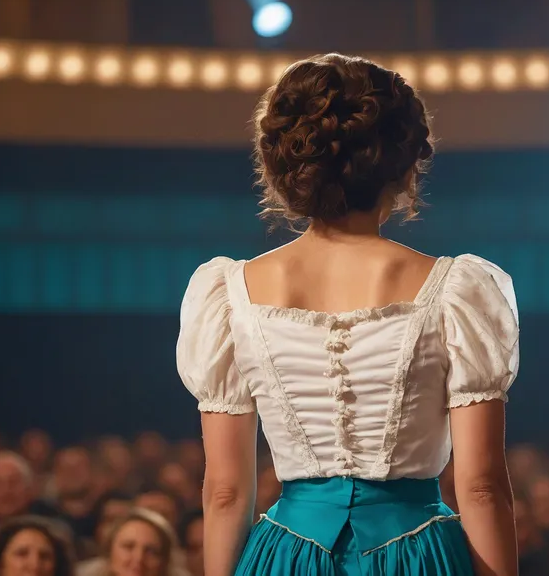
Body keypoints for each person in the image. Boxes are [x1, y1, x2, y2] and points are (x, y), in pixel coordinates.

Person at [176, 53, 519, 575]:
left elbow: (225, 492)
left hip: (287, 556)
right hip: (416, 555)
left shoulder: (230, 293)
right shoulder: (457, 290)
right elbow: (482, 487)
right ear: (403, 167)